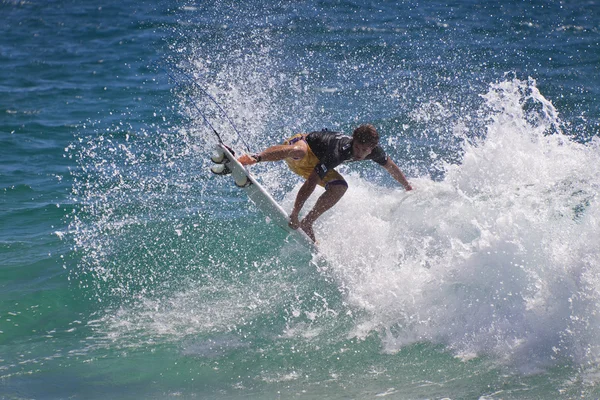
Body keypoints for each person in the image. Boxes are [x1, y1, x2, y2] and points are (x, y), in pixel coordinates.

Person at [238, 124, 413, 242]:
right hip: (302, 149)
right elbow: (311, 182)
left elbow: (390, 166)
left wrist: (407, 187)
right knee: (299, 151)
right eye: (357, 147)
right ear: (353, 141)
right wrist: (294, 213)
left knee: (340, 187)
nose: (359, 153)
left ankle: (308, 223)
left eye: (365, 150)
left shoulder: (375, 152)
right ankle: (255, 157)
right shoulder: (338, 151)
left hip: (311, 166)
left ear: (372, 148)